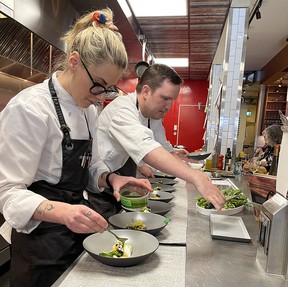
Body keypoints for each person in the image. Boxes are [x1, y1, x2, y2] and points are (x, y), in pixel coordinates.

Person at [0, 8, 152, 287]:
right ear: (73, 62)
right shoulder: (31, 109)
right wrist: (64, 213)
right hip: (39, 244)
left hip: (76, 235)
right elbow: (7, 194)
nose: (101, 96)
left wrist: (111, 178)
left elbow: (89, 168)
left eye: (109, 89)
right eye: (99, 86)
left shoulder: (87, 110)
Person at [89, 63, 225, 218]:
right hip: (103, 186)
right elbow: (147, 149)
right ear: (146, 91)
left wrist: (175, 155)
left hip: (124, 179)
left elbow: (161, 145)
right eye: (165, 98)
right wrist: (196, 176)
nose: (169, 106)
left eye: (172, 100)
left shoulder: (152, 114)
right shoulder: (122, 110)